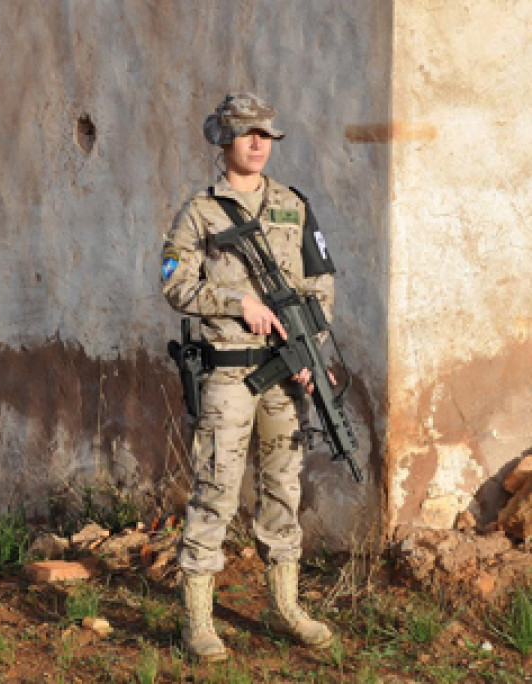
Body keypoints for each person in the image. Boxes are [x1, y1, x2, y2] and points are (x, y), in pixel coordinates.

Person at [161, 93, 337, 661]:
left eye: (265, 135)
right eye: (246, 134)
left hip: (285, 376)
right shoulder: (199, 212)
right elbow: (175, 284)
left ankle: (286, 606)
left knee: (284, 487)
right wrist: (237, 302)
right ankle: (198, 619)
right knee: (215, 488)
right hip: (229, 375)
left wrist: (313, 351)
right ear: (223, 141)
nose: (258, 144)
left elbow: (319, 286)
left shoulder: (294, 206)